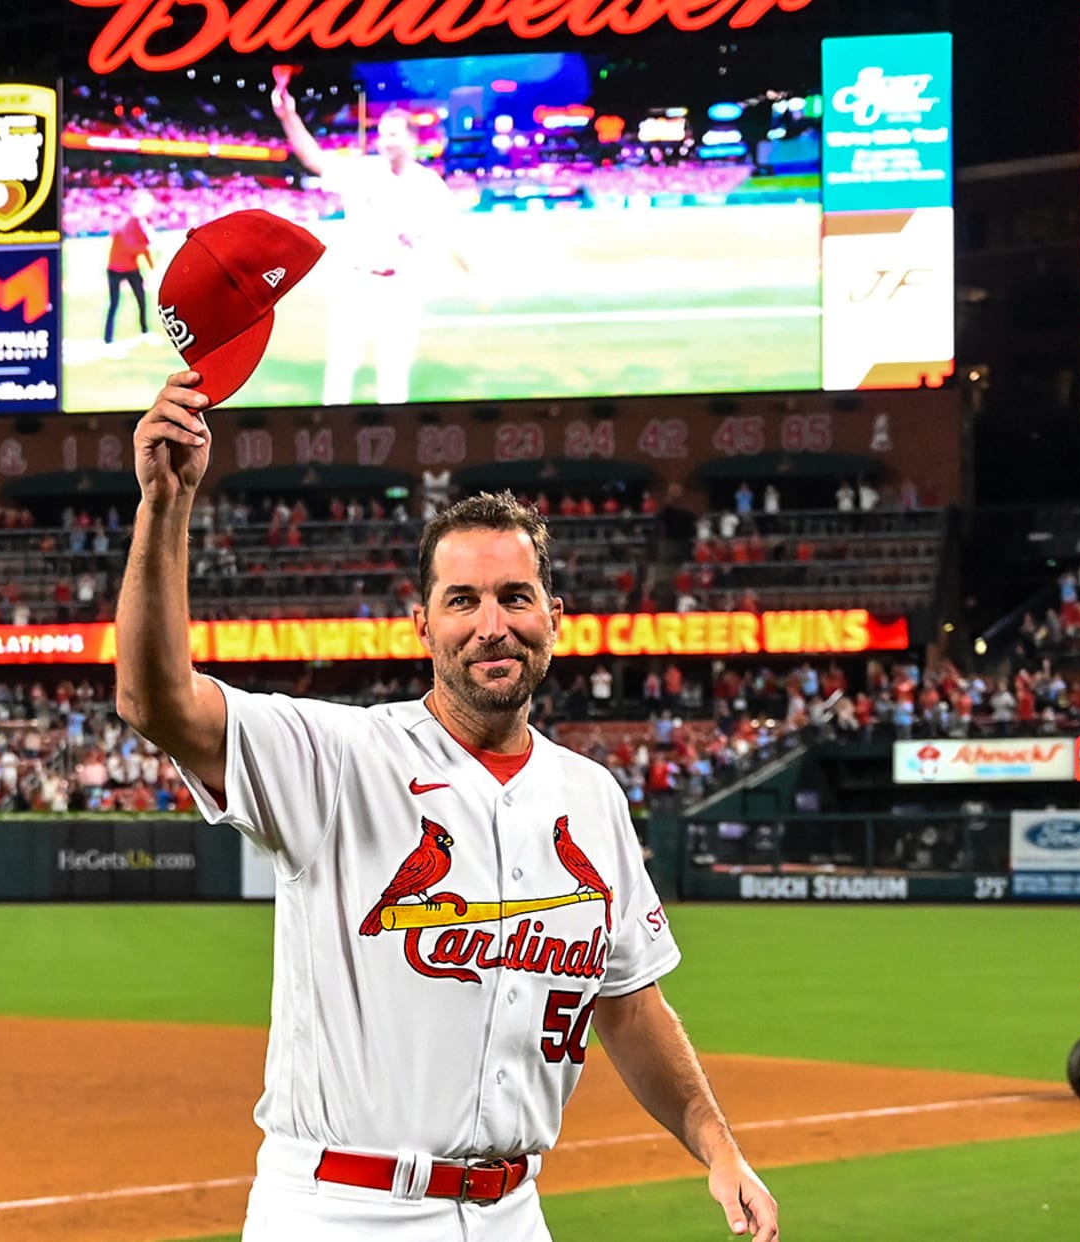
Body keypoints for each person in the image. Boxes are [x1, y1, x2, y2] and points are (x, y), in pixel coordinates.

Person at [120, 374, 778, 1240]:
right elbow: (156, 701)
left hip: (513, 1212)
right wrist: (165, 506)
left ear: (555, 617)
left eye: (515, 596)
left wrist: (718, 1145)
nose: (491, 623)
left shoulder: (589, 797)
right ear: (421, 626)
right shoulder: (339, 758)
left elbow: (626, 1001)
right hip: (341, 1211)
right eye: (461, 600)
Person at [271, 78, 471, 406]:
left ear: (411, 139)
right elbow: (314, 159)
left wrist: (461, 267)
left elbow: (445, 234)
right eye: (382, 134)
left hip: (401, 288)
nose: (385, 141)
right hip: (356, 283)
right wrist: (287, 117)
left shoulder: (428, 184)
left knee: (394, 375)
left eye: (393, 134)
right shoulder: (363, 172)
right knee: (339, 370)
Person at [105, 190, 160, 345]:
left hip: (131, 267)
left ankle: (144, 331)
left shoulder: (143, 222)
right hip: (116, 268)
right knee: (114, 304)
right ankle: (108, 339)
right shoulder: (127, 222)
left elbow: (145, 249)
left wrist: (152, 267)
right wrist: (149, 245)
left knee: (142, 300)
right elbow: (130, 247)